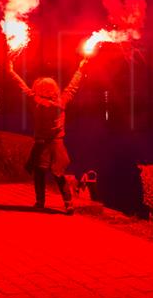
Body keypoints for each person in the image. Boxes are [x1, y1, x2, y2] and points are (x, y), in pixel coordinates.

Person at [7, 56, 91, 215]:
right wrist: (80, 68)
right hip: (57, 144)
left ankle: (40, 202)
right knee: (59, 174)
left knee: (39, 174)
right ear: (54, 89)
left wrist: (11, 71)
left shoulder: (35, 100)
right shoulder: (62, 101)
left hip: (41, 144)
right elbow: (73, 86)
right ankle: (68, 203)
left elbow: (21, 86)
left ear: (39, 88)